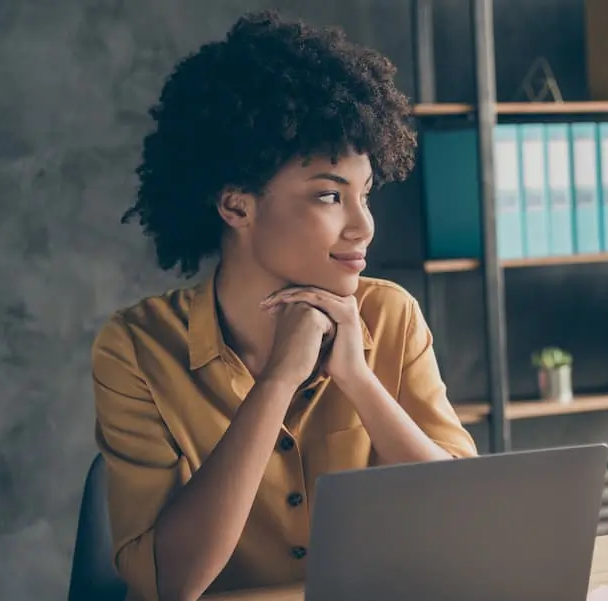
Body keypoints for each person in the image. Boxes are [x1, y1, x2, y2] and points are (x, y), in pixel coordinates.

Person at [90, 11, 478, 601]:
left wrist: (357, 378)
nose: (363, 227)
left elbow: (471, 517)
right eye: (329, 195)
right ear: (237, 207)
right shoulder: (136, 348)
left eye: (364, 194)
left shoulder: (391, 315)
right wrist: (277, 380)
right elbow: (170, 585)